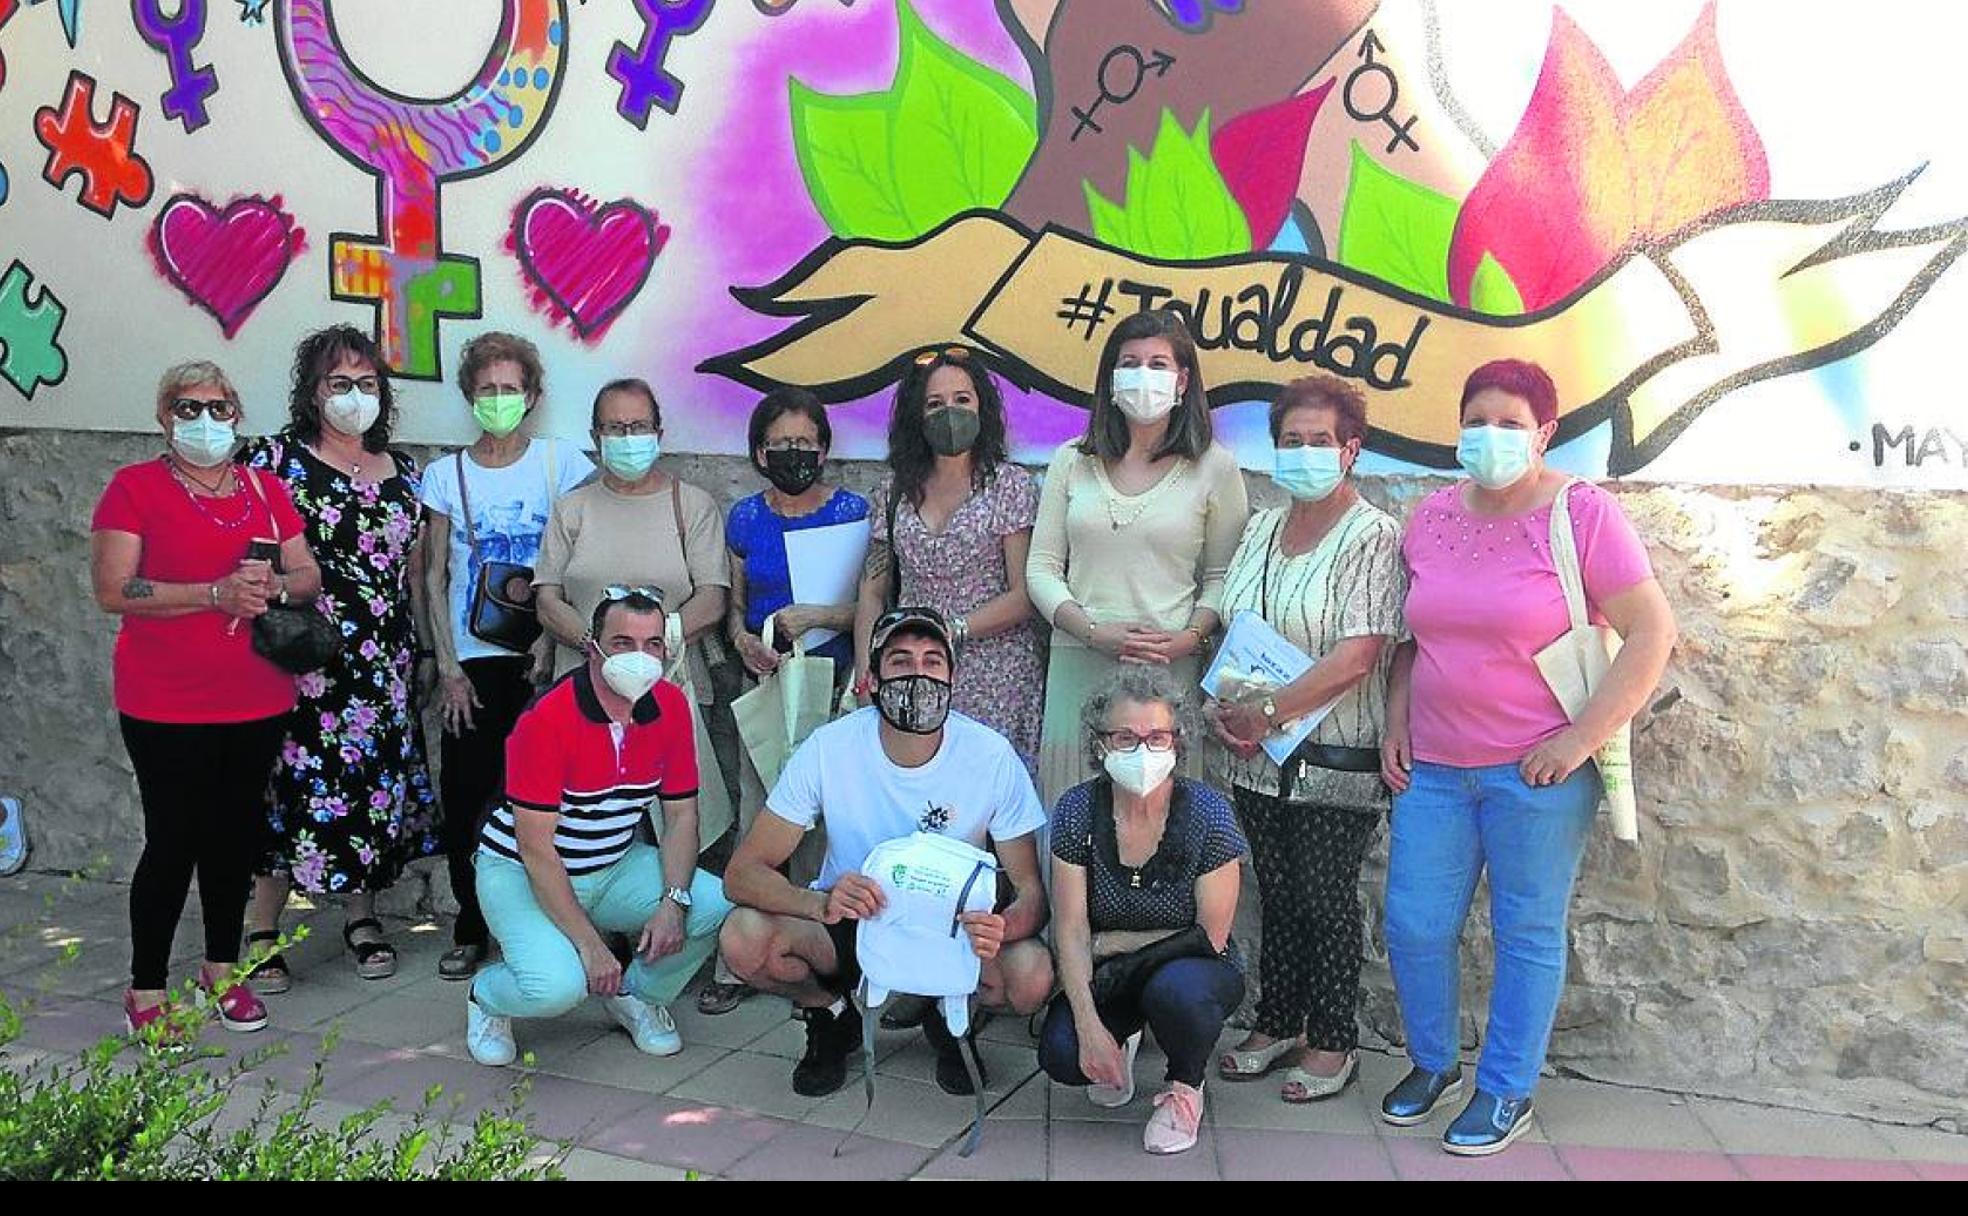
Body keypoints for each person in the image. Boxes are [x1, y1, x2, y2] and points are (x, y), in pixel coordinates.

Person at [1379, 359, 1677, 1155]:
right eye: (1477, 419)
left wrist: (1579, 739)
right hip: (1435, 771)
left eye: (1511, 423)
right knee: (1413, 923)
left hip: (1535, 775)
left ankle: (1507, 1089)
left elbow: (1652, 632)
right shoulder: (1431, 516)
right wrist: (1396, 720)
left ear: (1545, 433)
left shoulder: (1583, 514)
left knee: (1526, 930)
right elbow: (1411, 638)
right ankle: (1433, 1062)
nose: (1490, 436)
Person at [718, 607, 1055, 1099]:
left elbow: (1031, 893)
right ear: (872, 679)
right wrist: (820, 901)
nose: (918, 674)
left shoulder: (990, 754)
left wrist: (1004, 926)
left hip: (951, 932)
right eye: (900, 662)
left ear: (953, 676)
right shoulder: (829, 748)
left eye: (933, 661)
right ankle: (830, 1014)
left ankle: (950, 1016)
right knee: (743, 938)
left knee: (1030, 975)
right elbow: (742, 874)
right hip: (854, 924)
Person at [91, 362, 323, 1035]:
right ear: (164, 416)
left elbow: (307, 572)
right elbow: (114, 589)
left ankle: (222, 967)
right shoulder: (134, 489)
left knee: (233, 837)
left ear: (236, 414)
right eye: (188, 407)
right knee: (173, 840)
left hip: (256, 695)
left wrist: (274, 587)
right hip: (164, 700)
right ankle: (146, 987)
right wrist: (209, 594)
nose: (205, 420)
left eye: (219, 407)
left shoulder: (263, 488)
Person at [1206, 376, 1406, 1102]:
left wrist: (1271, 712)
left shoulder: (1373, 535)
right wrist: (1228, 713)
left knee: (1325, 898)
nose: (1304, 453)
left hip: (1334, 755)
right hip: (1258, 757)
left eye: (1320, 441)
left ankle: (1332, 1038)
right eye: (1291, 441)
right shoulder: (1261, 527)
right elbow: (1237, 630)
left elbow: (1357, 655)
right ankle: (1278, 1019)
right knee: (1278, 893)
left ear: (1350, 450)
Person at [242, 327, 440, 991]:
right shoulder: (275, 462)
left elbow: (414, 573)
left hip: (380, 666)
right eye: (338, 383)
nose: (354, 396)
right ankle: (263, 929)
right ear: (312, 392)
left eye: (366, 383)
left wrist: (424, 650)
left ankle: (362, 918)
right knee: (284, 790)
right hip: (300, 663)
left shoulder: (405, 474)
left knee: (371, 791)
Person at [465, 588, 733, 1066]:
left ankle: (637, 997)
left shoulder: (670, 707)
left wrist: (673, 900)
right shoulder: (546, 718)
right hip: (520, 872)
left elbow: (682, 815)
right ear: (593, 645)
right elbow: (535, 849)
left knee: (711, 903)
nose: (641, 657)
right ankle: (486, 995)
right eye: (624, 642)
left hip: (611, 866)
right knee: (556, 989)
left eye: (653, 644)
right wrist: (591, 946)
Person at [420, 332, 592, 981]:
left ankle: (552, 921)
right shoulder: (446, 475)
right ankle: (471, 923)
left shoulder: (561, 464)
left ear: (533, 395)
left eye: (510, 389)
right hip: (472, 660)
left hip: (539, 658)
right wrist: (448, 666)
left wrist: (553, 640)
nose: (499, 400)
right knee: (465, 797)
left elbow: (574, 562)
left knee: (544, 798)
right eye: (487, 389)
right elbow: (435, 576)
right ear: (470, 396)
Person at [1027, 310, 1250, 809]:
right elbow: (1041, 568)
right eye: (1130, 362)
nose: (1143, 375)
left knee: (1157, 820)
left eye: (1158, 363)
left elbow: (1223, 576)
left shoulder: (1215, 466)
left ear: (1183, 379)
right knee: (1073, 814)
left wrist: (1188, 638)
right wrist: (1089, 630)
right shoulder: (1071, 460)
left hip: (1166, 677)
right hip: (1078, 665)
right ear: (1110, 378)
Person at [702, 388, 868, 1016]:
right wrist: (743, 640)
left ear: (825, 448)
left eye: (806, 442)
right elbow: (737, 604)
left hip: (836, 683)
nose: (794, 453)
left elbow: (875, 605)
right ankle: (740, 956)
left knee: (825, 826)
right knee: (759, 814)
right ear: (758, 450)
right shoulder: (745, 517)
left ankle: (823, 950)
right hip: (768, 682)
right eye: (781, 443)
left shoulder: (853, 512)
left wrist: (821, 615)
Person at [1040, 667, 1247, 1156]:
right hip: (1110, 975)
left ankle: (1184, 1088)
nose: (1142, 750)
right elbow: (1070, 929)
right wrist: (1090, 1029)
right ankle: (1119, 1038)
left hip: (1192, 968)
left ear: (1178, 742)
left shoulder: (1209, 813)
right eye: (1125, 737)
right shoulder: (1075, 811)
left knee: (1177, 992)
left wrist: (1111, 942)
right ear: (1100, 744)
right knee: (1064, 1054)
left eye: (1157, 737)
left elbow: (1208, 936)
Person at [853, 348, 1044, 769]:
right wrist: (867, 668)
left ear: (982, 406)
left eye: (962, 400)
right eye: (935, 404)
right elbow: (872, 590)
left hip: (998, 673)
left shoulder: (1009, 486)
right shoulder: (894, 491)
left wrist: (951, 630)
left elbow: (1023, 594)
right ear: (916, 417)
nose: (950, 413)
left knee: (987, 797)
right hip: (913, 668)